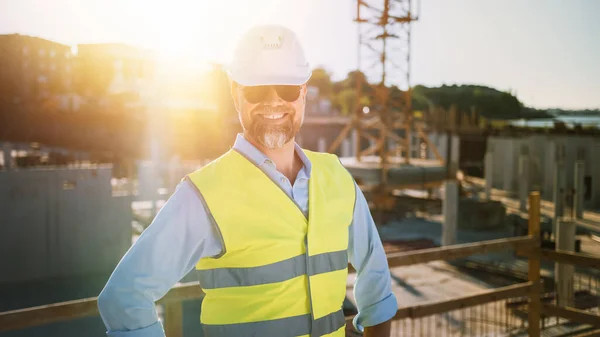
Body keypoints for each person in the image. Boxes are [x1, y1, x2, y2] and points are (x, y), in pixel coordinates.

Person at [98, 24, 397, 337]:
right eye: (256, 89)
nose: (273, 101)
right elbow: (124, 298)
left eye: (287, 88)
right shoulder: (203, 195)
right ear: (235, 91)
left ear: (304, 92)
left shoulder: (337, 177)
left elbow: (376, 282)